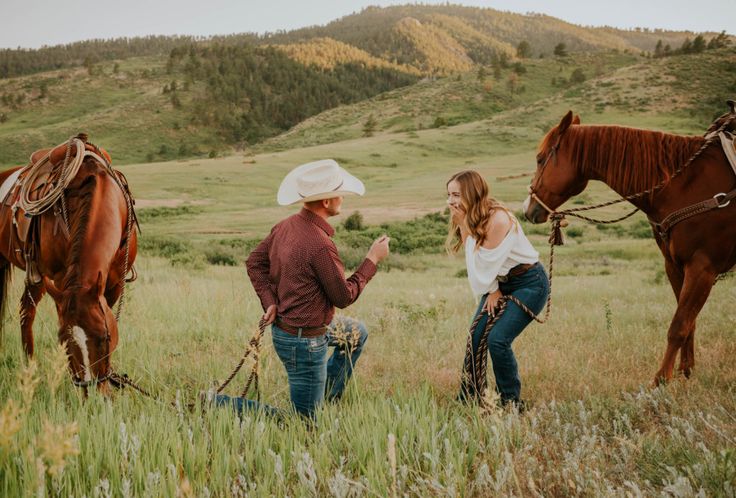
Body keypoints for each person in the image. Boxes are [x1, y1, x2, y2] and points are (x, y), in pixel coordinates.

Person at [213, 159, 390, 420]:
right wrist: (372, 260)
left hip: (304, 329)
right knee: (303, 423)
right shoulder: (320, 244)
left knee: (357, 333)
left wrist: (269, 301)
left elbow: (255, 262)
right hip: (305, 342)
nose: (342, 198)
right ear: (327, 202)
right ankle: (217, 403)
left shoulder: (284, 226)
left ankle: (326, 396)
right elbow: (343, 296)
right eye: (339, 192)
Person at [446, 170, 549, 409]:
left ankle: (511, 402)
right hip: (499, 282)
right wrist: (493, 289)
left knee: (498, 340)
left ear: (472, 193)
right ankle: (469, 396)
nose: (450, 201)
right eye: (449, 194)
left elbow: (482, 265)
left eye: (456, 195)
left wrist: (492, 288)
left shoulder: (499, 220)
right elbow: (476, 260)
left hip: (529, 282)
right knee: (475, 336)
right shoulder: (467, 214)